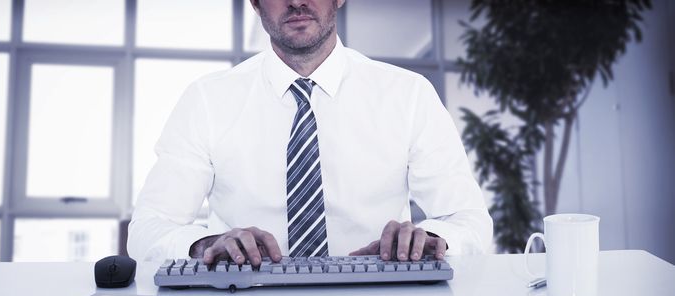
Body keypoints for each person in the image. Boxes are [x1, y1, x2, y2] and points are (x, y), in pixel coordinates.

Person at [128, 0, 493, 267]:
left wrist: (433, 239)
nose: (297, 2)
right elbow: (148, 228)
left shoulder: (409, 94)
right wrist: (205, 244)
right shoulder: (206, 100)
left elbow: (469, 220)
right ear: (254, 3)